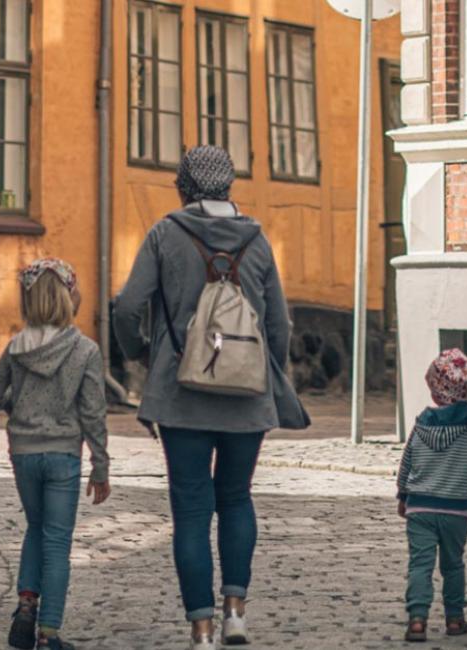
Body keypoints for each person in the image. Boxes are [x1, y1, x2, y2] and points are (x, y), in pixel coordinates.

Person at [112, 145, 307, 650]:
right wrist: (268, 373)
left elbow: (129, 306)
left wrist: (143, 357)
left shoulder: (164, 234)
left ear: (183, 186)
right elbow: (278, 325)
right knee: (237, 498)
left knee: (192, 510)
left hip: (181, 394)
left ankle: (201, 630)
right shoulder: (258, 241)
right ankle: (236, 613)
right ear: (229, 187)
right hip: (247, 396)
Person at [0, 258, 111, 650]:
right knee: (57, 542)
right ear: (70, 298)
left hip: (23, 453)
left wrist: (15, 404)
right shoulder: (85, 350)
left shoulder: (16, 347)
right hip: (63, 456)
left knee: (35, 529)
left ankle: (25, 604)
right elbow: (93, 414)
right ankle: (49, 633)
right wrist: (100, 466)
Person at [396, 349, 467, 643]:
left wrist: (403, 494)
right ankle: (455, 619)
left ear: (433, 387)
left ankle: (417, 619)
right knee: (453, 563)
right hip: (457, 509)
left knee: (420, 564)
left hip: (420, 507)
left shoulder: (422, 424)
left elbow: (407, 461)